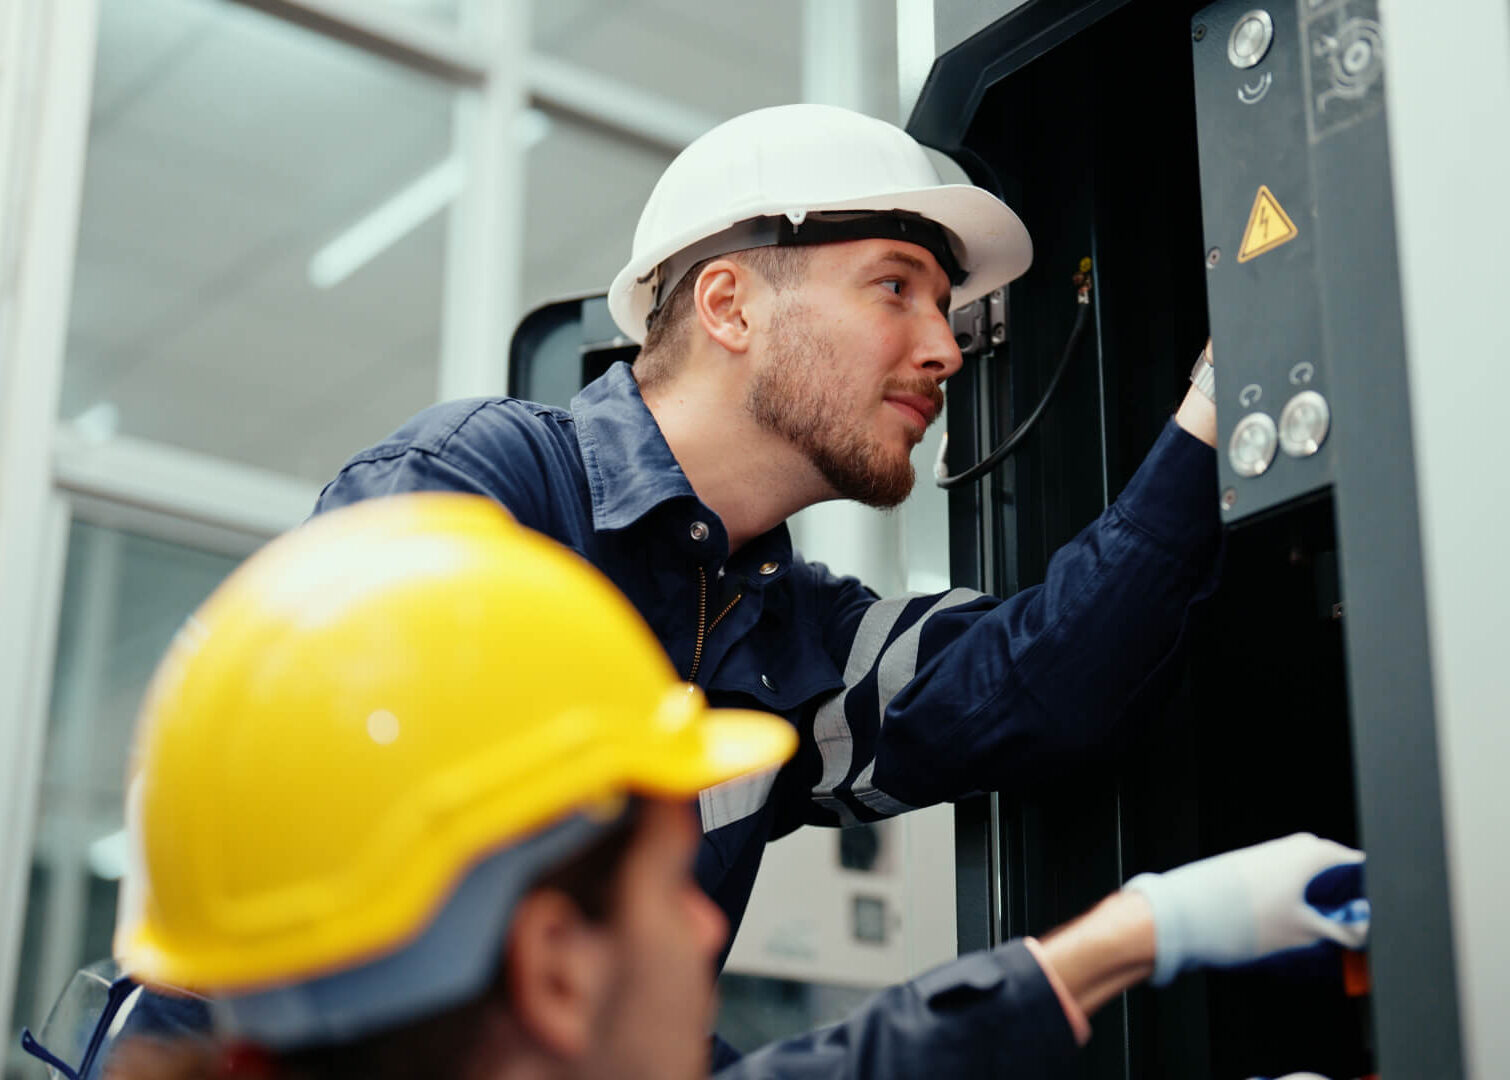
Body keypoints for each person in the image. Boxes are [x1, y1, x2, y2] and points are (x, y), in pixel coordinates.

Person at [313, 102, 1222, 996]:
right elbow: (409, 949)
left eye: (945, 308)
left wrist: (1215, 414)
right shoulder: (477, 488)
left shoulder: (789, 633)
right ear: (730, 305)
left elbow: (1041, 680)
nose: (947, 347)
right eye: (895, 287)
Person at [23, 495, 1365, 1080]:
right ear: (552, 967)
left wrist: (1144, 932)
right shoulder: (493, 484)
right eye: (671, 883)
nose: (707, 921)